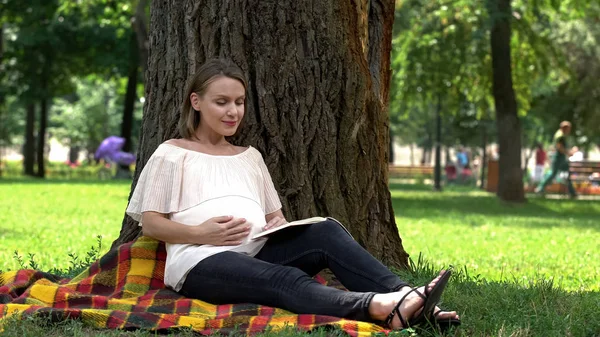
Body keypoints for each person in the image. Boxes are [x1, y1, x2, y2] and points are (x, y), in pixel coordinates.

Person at [125, 59, 461, 331]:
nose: (233, 112)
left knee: (325, 230)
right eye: (222, 102)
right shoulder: (173, 153)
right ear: (196, 102)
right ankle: (380, 307)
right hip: (202, 261)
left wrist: (280, 229)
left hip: (258, 250)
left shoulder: (250, 157)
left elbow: (274, 218)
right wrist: (202, 233)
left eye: (240, 102)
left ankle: (408, 296)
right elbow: (151, 225)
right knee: (285, 278)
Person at [535, 121, 577, 198]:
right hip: (559, 158)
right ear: (564, 128)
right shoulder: (560, 136)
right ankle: (540, 188)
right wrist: (568, 152)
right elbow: (559, 147)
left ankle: (572, 193)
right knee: (553, 173)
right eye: (568, 129)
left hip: (563, 158)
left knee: (566, 174)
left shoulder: (561, 135)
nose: (569, 130)